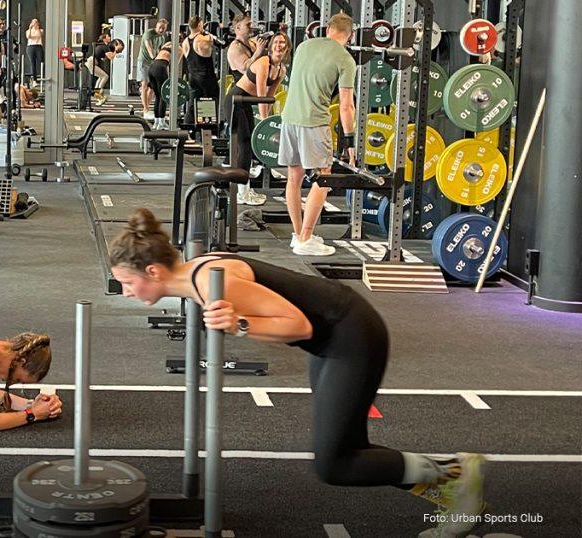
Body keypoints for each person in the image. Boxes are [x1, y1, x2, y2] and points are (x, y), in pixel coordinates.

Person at [107, 208, 487, 538]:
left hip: (349, 332)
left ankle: (454, 473)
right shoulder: (198, 273)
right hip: (332, 336)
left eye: (127, 282)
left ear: (153, 271)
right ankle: (451, 485)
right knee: (346, 449)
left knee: (335, 463)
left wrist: (238, 324)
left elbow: (297, 325)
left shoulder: (208, 281)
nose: (125, 292)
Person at [278, 12, 358, 256]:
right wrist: (351, 143)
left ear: (327, 30)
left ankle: (298, 234)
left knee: (294, 177)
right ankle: (306, 238)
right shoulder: (346, 60)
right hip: (314, 123)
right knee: (324, 178)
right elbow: (346, 106)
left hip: (289, 118)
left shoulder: (303, 46)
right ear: (350, 36)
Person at [222, 32, 290, 207]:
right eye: (275, 42)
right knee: (244, 143)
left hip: (245, 102)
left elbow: (270, 97)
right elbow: (261, 95)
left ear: (287, 47)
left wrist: (266, 118)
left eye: (282, 43)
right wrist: (265, 122)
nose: (279, 46)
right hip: (235, 100)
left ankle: (243, 187)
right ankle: (242, 192)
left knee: (249, 143)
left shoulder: (281, 70)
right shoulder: (263, 63)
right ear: (270, 46)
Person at [182, 17, 219, 123]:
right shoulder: (204, 39)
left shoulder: (185, 42)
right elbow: (222, 43)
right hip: (206, 77)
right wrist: (212, 35)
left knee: (192, 105)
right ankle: (207, 130)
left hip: (193, 77)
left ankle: (187, 132)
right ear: (199, 25)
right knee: (210, 103)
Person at [137, 19, 168, 120]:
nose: (161, 30)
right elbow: (149, 48)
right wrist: (154, 58)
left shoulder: (162, 37)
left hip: (153, 63)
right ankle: (145, 109)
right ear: (156, 26)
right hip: (144, 61)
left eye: (163, 28)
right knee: (145, 85)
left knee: (153, 88)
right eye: (160, 28)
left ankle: (146, 108)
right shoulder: (149, 33)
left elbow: (160, 50)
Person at [147, 42, 178, 129]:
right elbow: (175, 65)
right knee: (163, 96)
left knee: (157, 96)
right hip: (160, 68)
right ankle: (162, 122)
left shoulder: (164, 47)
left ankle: (156, 122)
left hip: (152, 67)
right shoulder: (179, 49)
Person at [85, 38, 123, 106]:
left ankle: (97, 95)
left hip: (90, 62)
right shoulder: (106, 47)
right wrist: (116, 51)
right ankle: (99, 92)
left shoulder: (104, 47)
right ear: (114, 45)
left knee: (101, 77)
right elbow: (111, 57)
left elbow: (105, 58)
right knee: (105, 76)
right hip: (91, 62)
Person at [25, 19, 44, 84]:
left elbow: (40, 35)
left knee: (41, 61)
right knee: (33, 63)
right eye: (34, 22)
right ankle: (34, 80)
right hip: (31, 47)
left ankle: (42, 76)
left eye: (36, 22)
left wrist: (37, 28)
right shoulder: (28, 31)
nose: (35, 23)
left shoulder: (40, 30)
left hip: (38, 46)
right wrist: (30, 28)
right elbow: (28, 36)